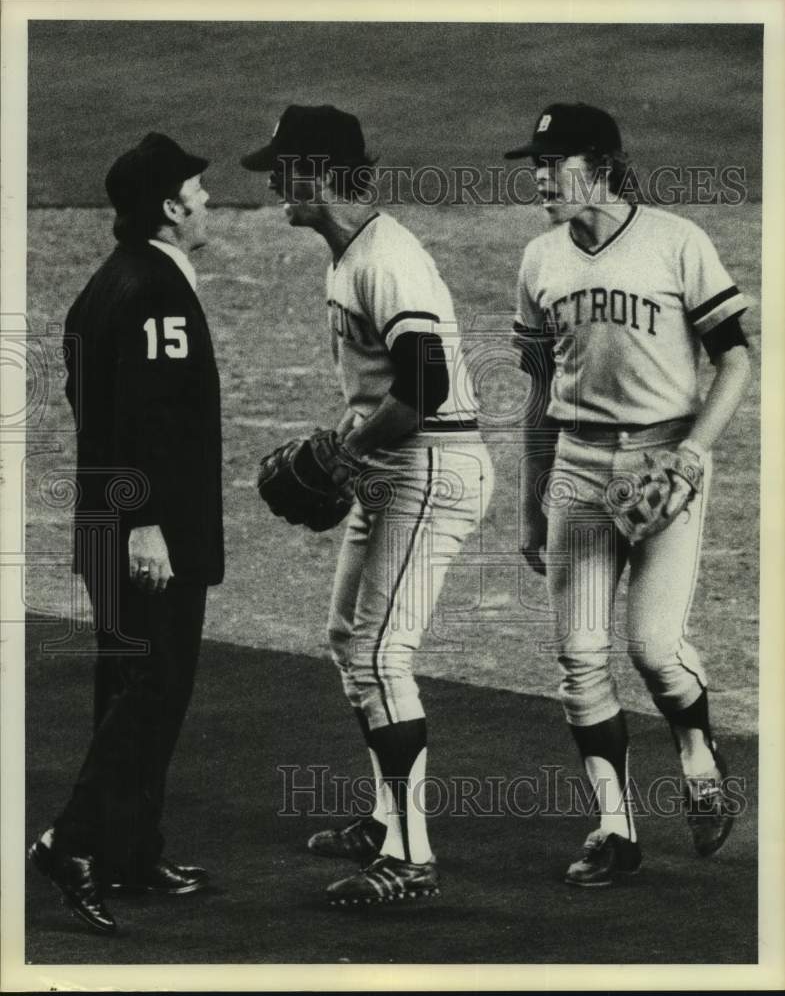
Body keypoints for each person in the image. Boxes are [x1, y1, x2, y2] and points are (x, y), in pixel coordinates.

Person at [242, 105, 494, 904]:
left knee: (382, 656)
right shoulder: (350, 255)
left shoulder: (386, 259)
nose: (274, 185)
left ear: (319, 172)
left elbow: (427, 385)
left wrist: (347, 453)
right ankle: (387, 821)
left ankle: (411, 858)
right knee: (349, 640)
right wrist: (355, 448)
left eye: (284, 171)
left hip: (429, 467)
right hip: (395, 463)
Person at [504, 103, 752, 886]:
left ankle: (697, 756)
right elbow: (537, 394)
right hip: (577, 466)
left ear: (602, 167)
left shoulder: (675, 242)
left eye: (554, 164)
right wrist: (530, 499)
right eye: (536, 165)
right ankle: (614, 828)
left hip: (662, 462)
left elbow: (736, 359)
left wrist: (689, 455)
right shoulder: (538, 260)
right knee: (578, 655)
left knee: (652, 648)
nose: (540, 178)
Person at [29, 133, 224, 934]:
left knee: (129, 684)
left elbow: (95, 405)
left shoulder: (109, 281)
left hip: (108, 523)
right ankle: (72, 842)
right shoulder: (153, 292)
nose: (209, 201)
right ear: (170, 208)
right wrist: (144, 522)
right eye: (197, 192)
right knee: (153, 687)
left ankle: (131, 853)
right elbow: (142, 416)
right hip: (149, 532)